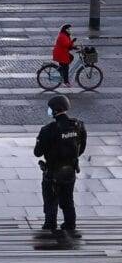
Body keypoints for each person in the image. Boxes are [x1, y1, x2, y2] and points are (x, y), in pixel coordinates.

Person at [34, 93, 87, 234]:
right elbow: (81, 148)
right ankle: (70, 224)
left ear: (55, 110)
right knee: (68, 199)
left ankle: (50, 225)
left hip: (52, 171)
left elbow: (37, 152)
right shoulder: (78, 126)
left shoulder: (48, 130)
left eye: (50, 108)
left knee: (51, 200)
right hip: (70, 170)